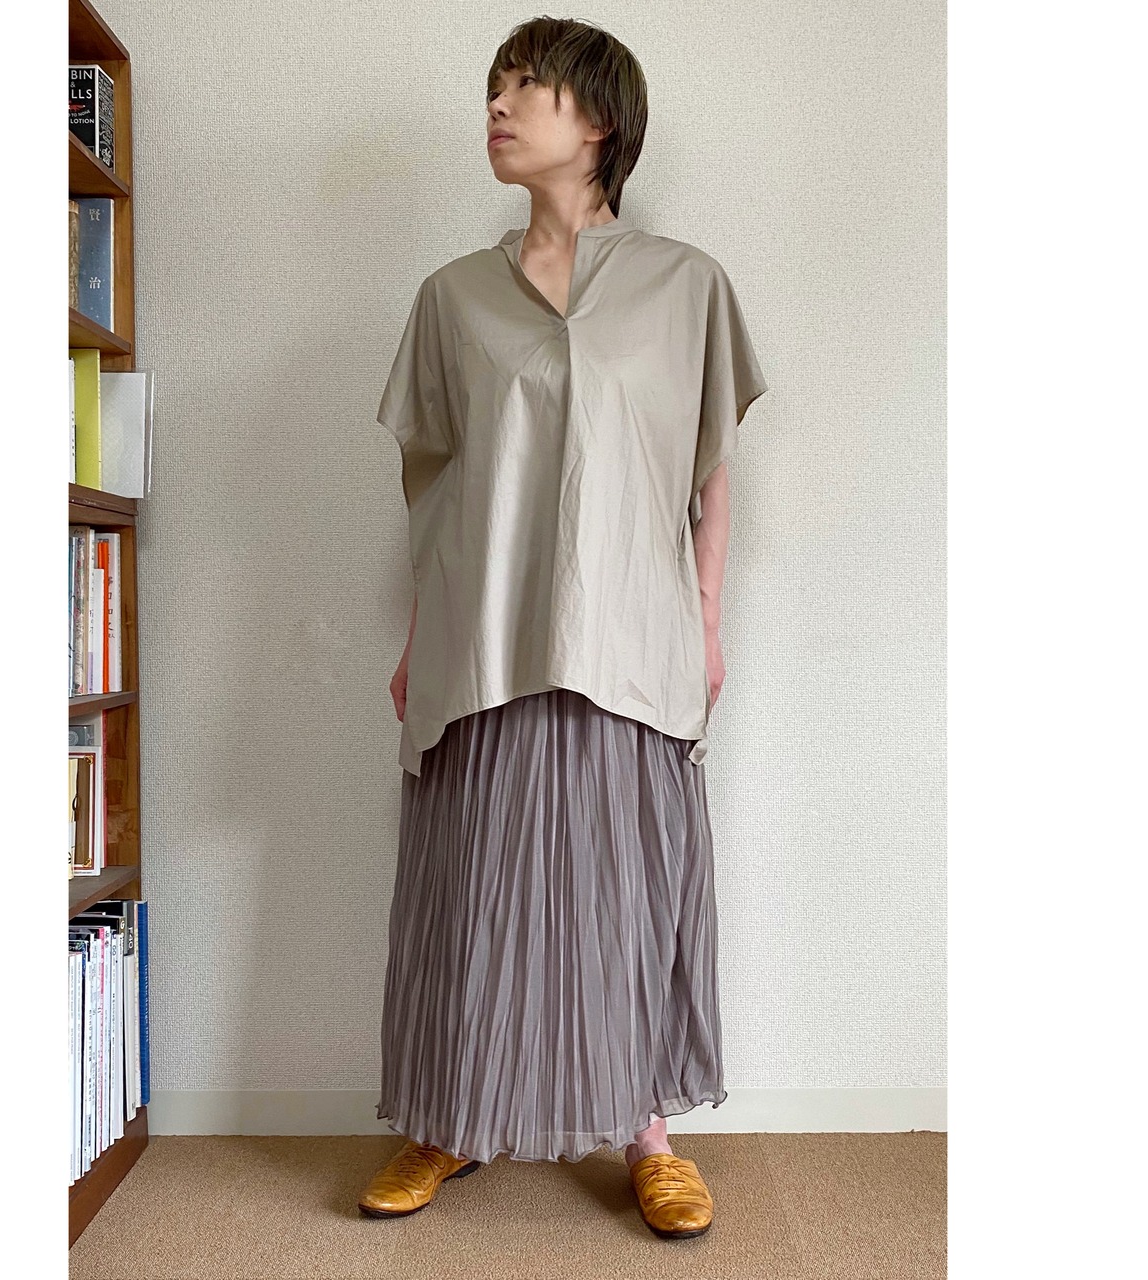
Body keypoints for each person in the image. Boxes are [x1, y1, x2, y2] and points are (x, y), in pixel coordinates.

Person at [360, 16, 767, 1241]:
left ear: (597, 120)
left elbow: (707, 473)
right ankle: (449, 1116)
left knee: (623, 886)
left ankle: (647, 1132)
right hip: (482, 634)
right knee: (471, 884)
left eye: (525, 86)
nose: (496, 105)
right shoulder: (451, 298)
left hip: (629, 636)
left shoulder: (685, 286)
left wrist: (705, 621)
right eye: (494, 86)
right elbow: (438, 496)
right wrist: (417, 637)